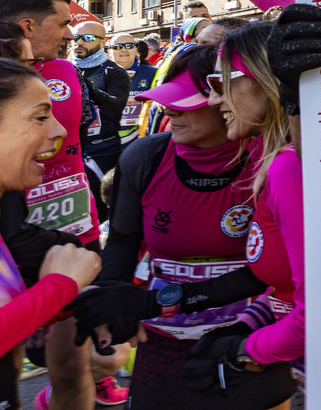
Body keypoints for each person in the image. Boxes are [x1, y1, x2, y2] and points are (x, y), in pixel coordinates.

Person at [85, 46, 282, 410]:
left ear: (227, 102)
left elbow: (272, 271)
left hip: (249, 332)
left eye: (185, 103)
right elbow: (124, 241)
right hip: (164, 336)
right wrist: (114, 298)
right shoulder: (144, 156)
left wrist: (155, 301)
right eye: (168, 100)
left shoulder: (272, 161)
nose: (169, 110)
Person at [0, 0, 103, 410]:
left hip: (67, 239)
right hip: (16, 245)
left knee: (73, 368)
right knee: (2, 371)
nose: (71, 34)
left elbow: (76, 142)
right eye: (63, 22)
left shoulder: (67, 68)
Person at [71, 20, 130, 223]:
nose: (79, 42)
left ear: (102, 41)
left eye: (86, 38)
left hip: (104, 150)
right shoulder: (65, 68)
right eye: (75, 37)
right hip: (73, 149)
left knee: (102, 208)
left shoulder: (114, 72)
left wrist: (91, 91)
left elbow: (116, 105)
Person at [107, 34, 158, 148]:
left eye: (129, 46)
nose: (124, 50)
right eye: (117, 47)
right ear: (109, 51)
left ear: (136, 50)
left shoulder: (153, 73)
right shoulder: (100, 73)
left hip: (141, 139)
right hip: (108, 140)